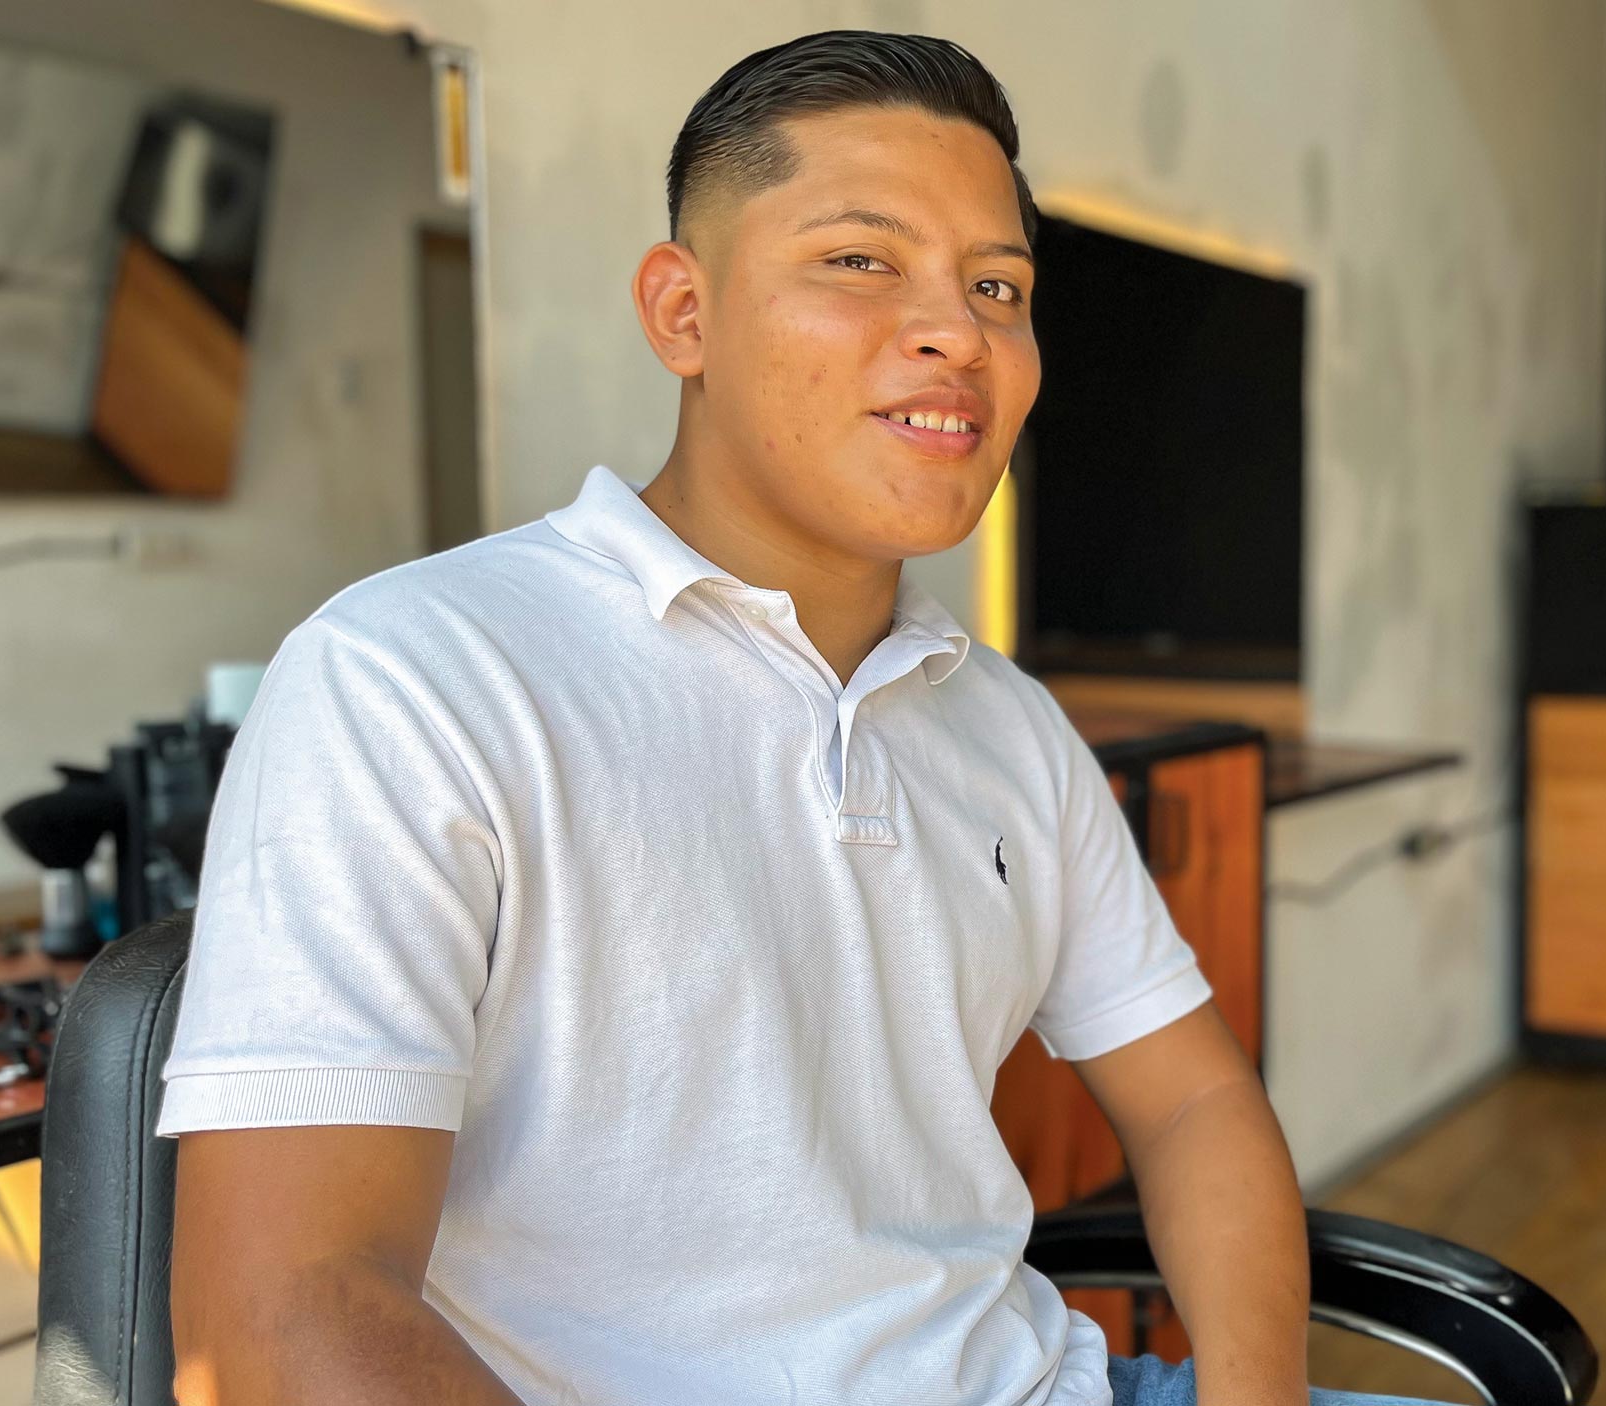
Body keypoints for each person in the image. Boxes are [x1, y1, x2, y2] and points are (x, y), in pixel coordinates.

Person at [159, 29, 1435, 1406]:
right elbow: (285, 1316)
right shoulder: (417, 678)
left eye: (998, 286)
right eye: (859, 261)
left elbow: (1193, 1101)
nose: (959, 331)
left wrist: (1260, 1396)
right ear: (683, 313)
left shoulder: (1003, 723)